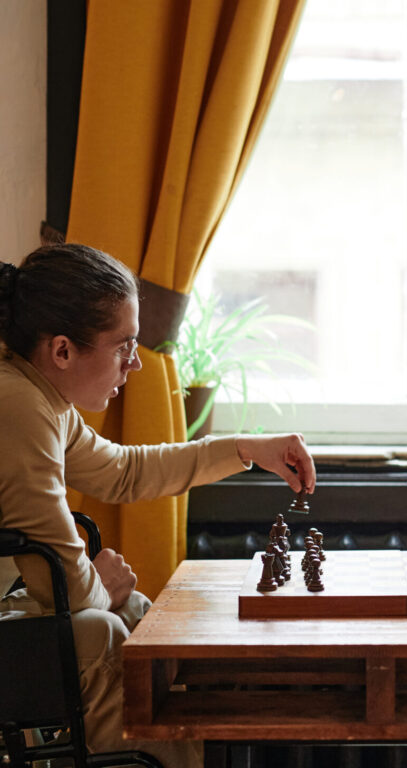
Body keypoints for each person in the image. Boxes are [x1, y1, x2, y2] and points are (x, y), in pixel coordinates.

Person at [0, 243, 317, 768]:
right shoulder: (20, 406)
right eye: (124, 345)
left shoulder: (41, 397)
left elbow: (125, 472)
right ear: (62, 350)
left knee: (140, 617)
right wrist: (100, 587)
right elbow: (65, 585)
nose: (135, 364)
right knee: (105, 627)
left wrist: (247, 450)